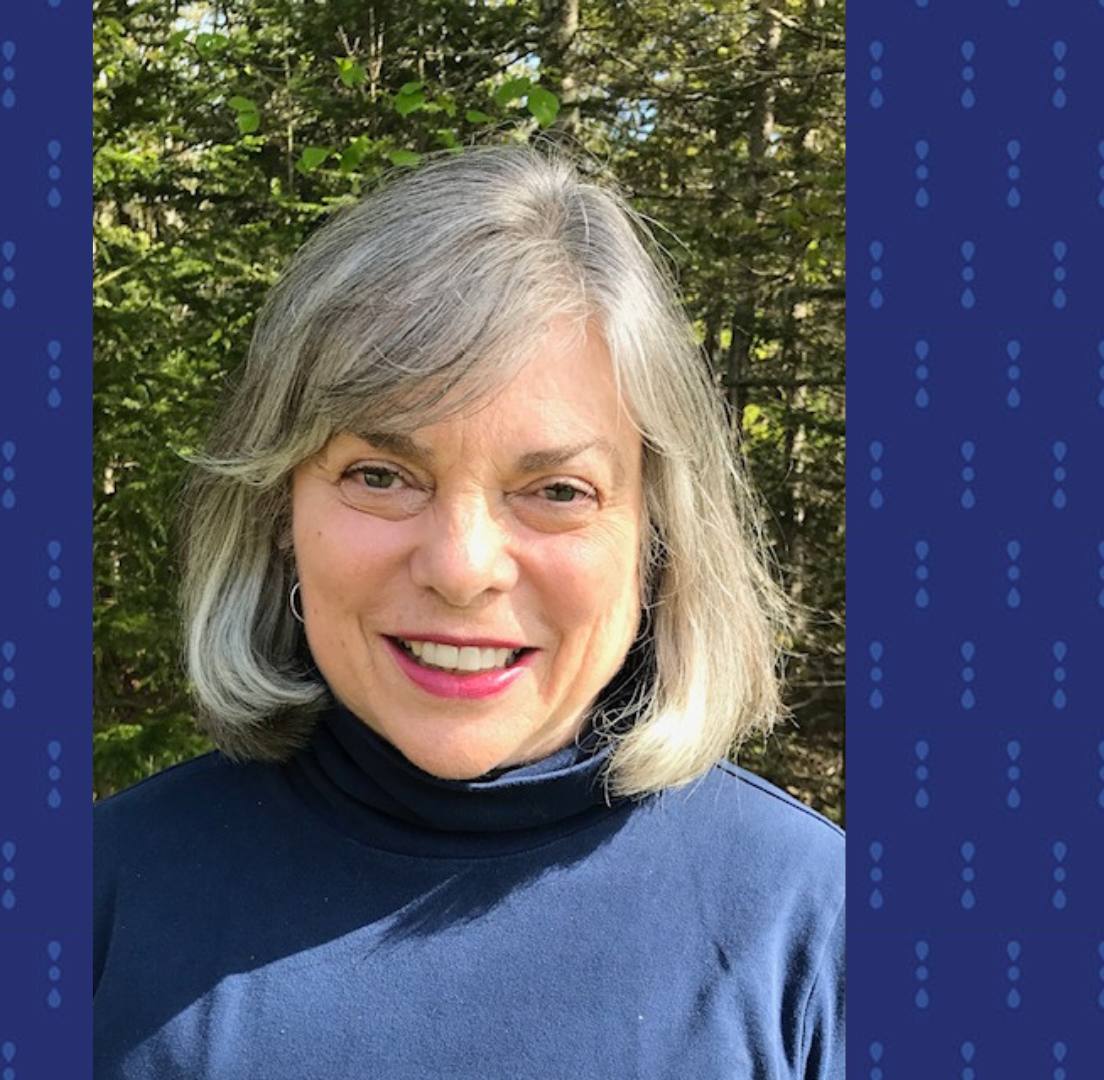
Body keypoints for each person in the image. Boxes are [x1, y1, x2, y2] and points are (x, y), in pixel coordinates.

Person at [95, 144, 843, 1079]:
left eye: (558, 490)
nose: (462, 567)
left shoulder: (816, 928)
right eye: (381, 476)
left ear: (659, 536)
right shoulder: (100, 901)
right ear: (280, 512)